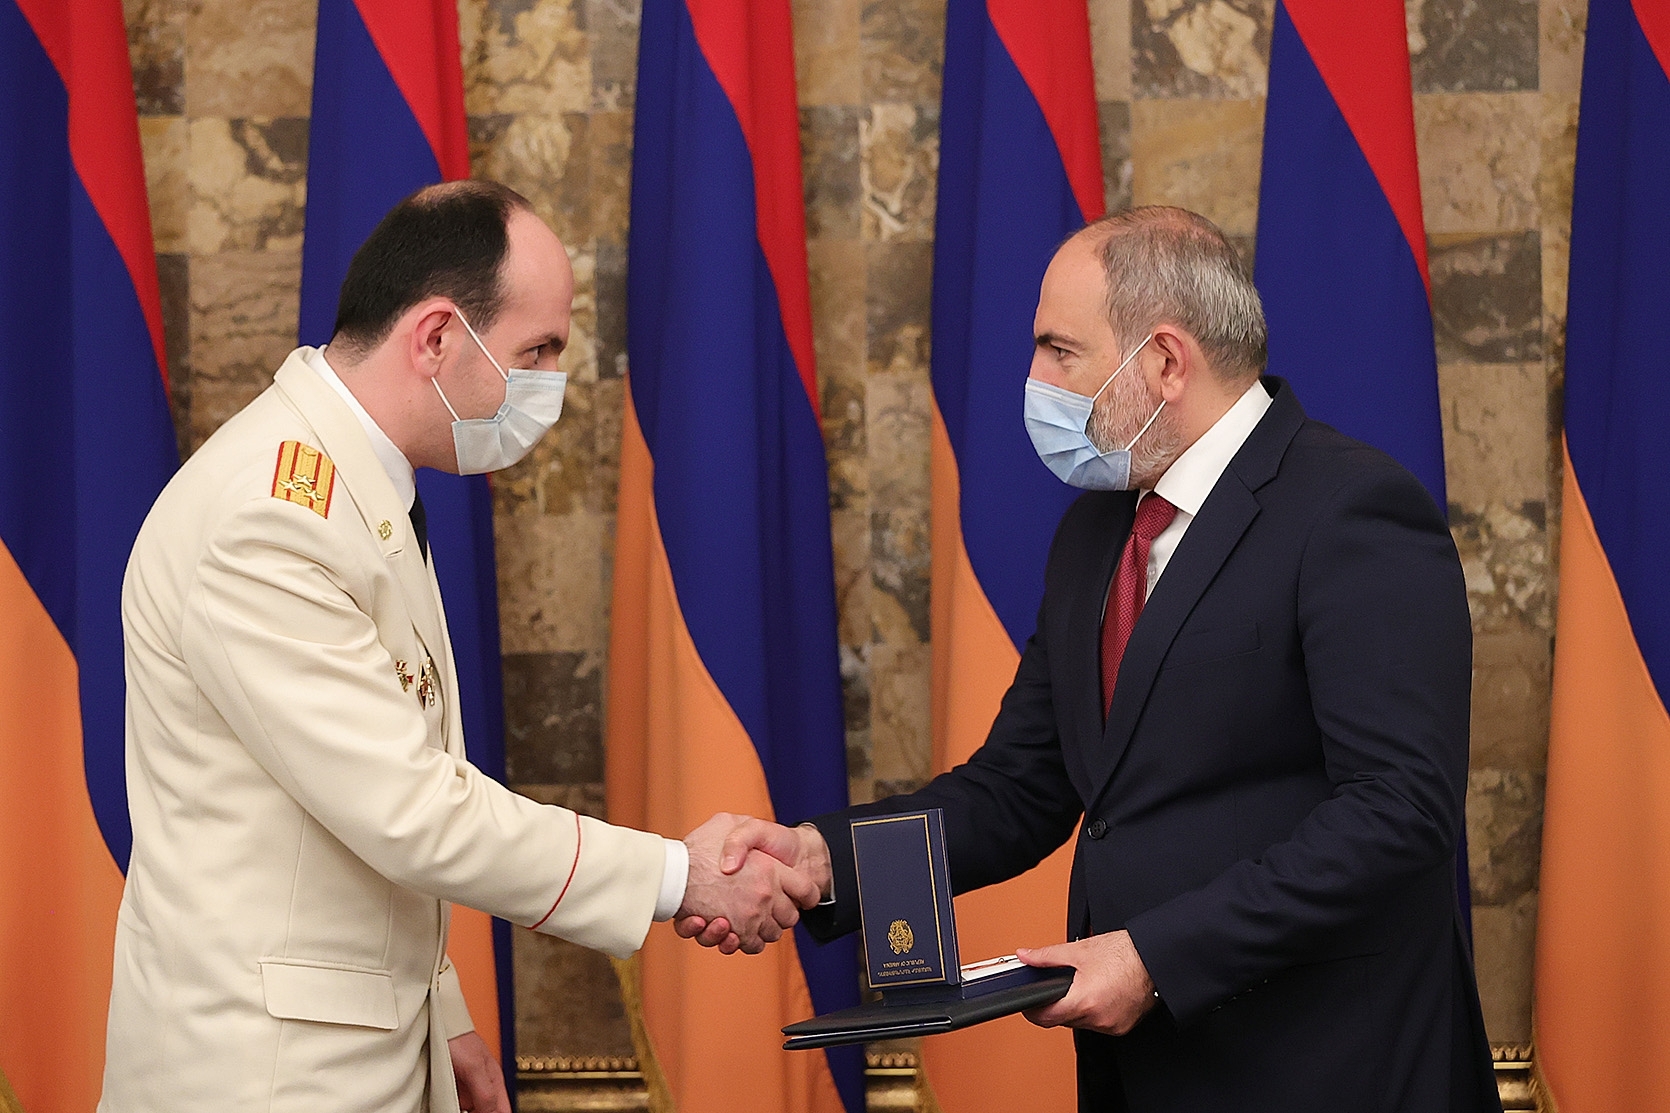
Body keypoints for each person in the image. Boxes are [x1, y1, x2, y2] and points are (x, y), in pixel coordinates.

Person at [689, 207, 1502, 1111]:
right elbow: (1021, 785)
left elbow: (1398, 811)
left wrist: (1153, 956)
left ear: (1165, 361)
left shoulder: (1351, 508)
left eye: (1059, 351)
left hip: (1331, 1068)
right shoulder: (1096, 529)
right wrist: (819, 859)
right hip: (1148, 1072)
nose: (1035, 380)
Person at [102, 181, 816, 1113]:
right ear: (437, 335)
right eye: (537, 351)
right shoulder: (270, 518)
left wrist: (440, 1012)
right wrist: (679, 877)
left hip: (348, 1050)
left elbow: (350, 815)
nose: (551, 381)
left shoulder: (354, 484)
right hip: (263, 1073)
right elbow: (410, 807)